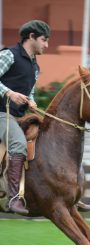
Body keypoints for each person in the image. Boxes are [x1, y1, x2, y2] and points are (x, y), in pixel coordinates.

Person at [0, 20, 51, 215]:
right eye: (44, 40)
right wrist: (9, 93)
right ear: (31, 36)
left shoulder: (35, 67)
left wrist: (31, 101)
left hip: (18, 116)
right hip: (2, 114)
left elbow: (29, 92)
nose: (46, 45)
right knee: (18, 144)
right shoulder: (8, 56)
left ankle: (64, 194)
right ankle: (13, 199)